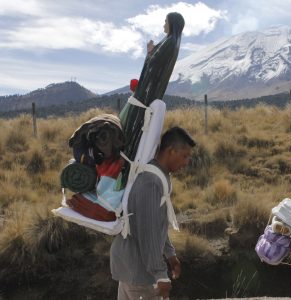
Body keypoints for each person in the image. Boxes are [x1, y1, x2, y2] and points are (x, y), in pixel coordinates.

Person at [110, 126, 196, 300]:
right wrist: (160, 275)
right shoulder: (151, 182)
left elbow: (158, 223)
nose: (187, 162)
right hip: (140, 275)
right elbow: (148, 232)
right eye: (185, 156)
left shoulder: (159, 175)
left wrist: (170, 254)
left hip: (133, 268)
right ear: (171, 151)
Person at [119, 12, 185, 188]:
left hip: (145, 96)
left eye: (165, 21)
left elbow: (153, 66)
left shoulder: (170, 42)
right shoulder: (172, 42)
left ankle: (123, 177)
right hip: (148, 95)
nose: (163, 24)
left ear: (172, 23)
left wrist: (149, 52)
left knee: (131, 131)